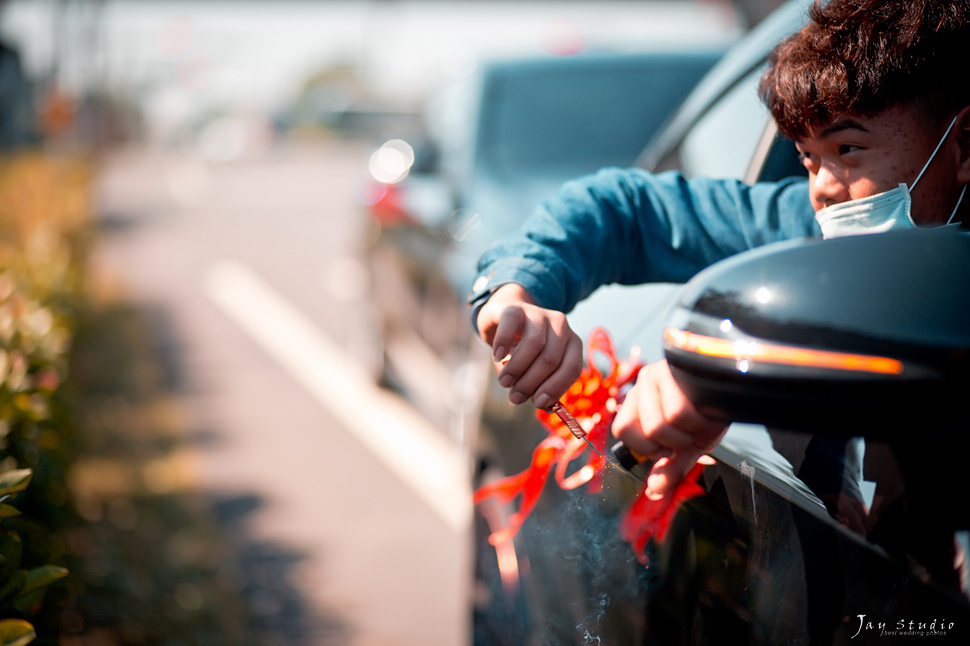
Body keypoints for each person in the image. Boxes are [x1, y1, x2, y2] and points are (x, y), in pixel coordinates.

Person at [468, 0, 970, 501]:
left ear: (963, 145)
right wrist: (516, 296)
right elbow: (624, 211)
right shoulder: (797, 228)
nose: (823, 190)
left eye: (847, 152)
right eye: (809, 159)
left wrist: (750, 382)